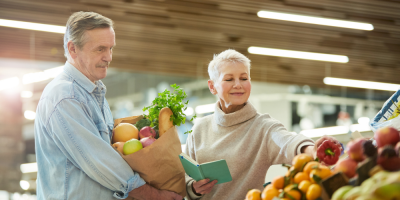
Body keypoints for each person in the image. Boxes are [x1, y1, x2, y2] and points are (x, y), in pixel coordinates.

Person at [34, 11, 182, 200]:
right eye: (100, 49)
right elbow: (99, 162)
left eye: (111, 48)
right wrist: (154, 195)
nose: (108, 57)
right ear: (73, 49)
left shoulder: (94, 95)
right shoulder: (65, 97)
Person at [183, 49, 342, 200]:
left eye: (244, 78)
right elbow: (183, 176)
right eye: (229, 79)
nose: (238, 84)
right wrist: (193, 188)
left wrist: (313, 150)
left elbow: (287, 142)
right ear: (212, 86)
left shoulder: (264, 127)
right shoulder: (199, 129)